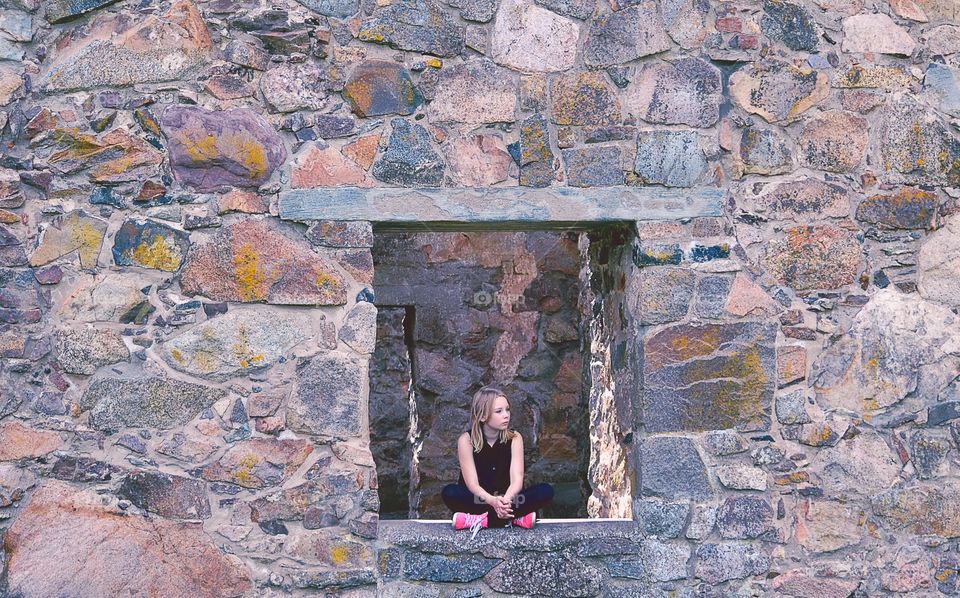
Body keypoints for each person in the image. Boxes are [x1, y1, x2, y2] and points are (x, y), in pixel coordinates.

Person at [441, 386, 554, 537]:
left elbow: (517, 479)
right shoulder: (466, 440)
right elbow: (472, 484)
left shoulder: (515, 438)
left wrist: (505, 501)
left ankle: (482, 520)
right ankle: (514, 519)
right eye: (499, 411)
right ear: (482, 416)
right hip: (479, 500)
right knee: (450, 492)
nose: (506, 415)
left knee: (545, 491)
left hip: (511, 500)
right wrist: (493, 501)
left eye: (507, 410)